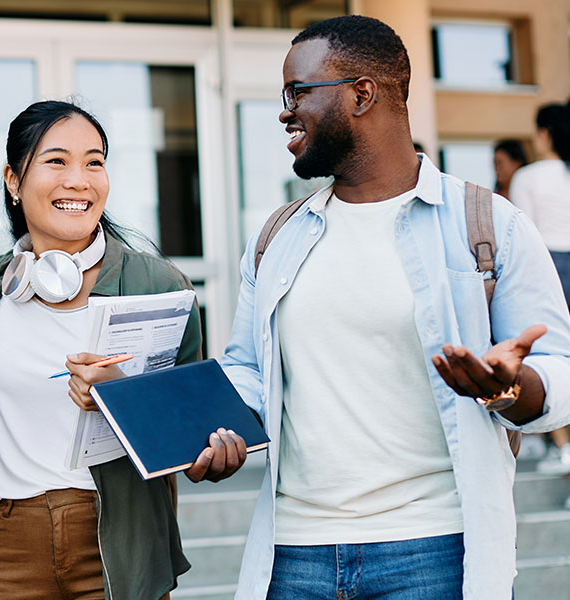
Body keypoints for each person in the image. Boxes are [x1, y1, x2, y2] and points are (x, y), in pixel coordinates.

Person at [220, 15, 570, 600]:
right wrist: (201, 429)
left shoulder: (487, 225)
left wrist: (507, 386)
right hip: (294, 556)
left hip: (432, 550)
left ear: (362, 94)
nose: (284, 111)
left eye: (298, 92)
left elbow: (558, 372)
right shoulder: (278, 237)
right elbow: (247, 372)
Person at [0, 100, 248, 600]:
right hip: (9, 541)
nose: (79, 180)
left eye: (95, 161)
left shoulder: (156, 284)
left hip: (120, 544)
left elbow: (194, 434)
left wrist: (143, 412)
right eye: (57, 161)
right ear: (13, 181)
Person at [507, 103, 570, 475]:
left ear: (545, 133)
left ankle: (563, 447)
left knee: (550, 358)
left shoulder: (529, 176)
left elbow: (522, 232)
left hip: (549, 265)